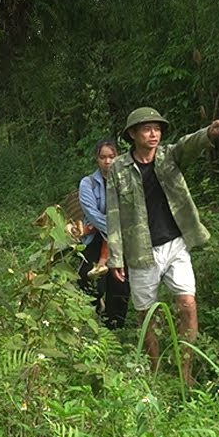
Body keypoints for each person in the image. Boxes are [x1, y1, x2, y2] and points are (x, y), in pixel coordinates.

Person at [105, 107, 219, 385]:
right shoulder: (118, 169)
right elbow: (113, 214)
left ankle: (185, 372)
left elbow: (190, 143)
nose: (154, 134)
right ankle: (154, 371)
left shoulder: (169, 156)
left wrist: (210, 132)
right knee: (146, 313)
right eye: (147, 129)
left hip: (176, 244)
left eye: (158, 129)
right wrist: (115, 257)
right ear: (133, 135)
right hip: (141, 251)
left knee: (187, 304)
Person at [77, 138, 131, 327]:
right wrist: (114, 228)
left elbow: (130, 210)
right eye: (103, 157)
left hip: (120, 240)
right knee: (88, 278)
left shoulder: (127, 181)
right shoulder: (88, 183)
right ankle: (88, 322)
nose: (107, 162)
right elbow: (91, 214)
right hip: (94, 238)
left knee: (120, 282)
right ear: (97, 159)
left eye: (111, 157)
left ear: (118, 157)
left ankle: (115, 326)